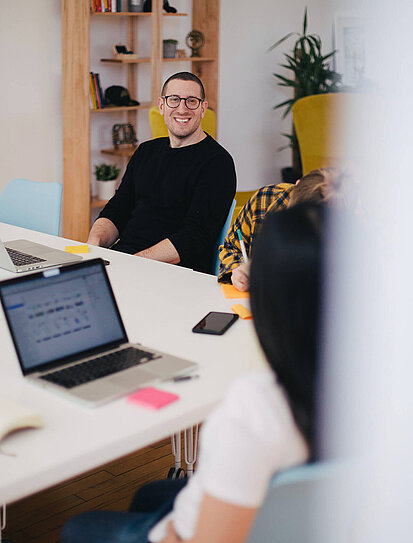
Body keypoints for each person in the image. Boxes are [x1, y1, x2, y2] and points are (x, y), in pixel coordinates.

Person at [61, 202, 325, 543]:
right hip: (296, 519)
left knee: (76, 527)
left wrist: (167, 530)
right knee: (148, 495)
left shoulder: (254, 408)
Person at [88, 72, 236, 274]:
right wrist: (93, 246)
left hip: (175, 274)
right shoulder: (145, 151)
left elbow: (194, 237)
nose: (182, 109)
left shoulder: (218, 163)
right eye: (174, 100)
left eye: (191, 101)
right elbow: (117, 209)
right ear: (161, 106)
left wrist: (132, 262)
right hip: (126, 263)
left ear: (203, 108)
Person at [219, 167, 343, 291]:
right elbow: (230, 247)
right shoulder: (266, 200)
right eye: (291, 214)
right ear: (297, 184)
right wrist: (237, 270)